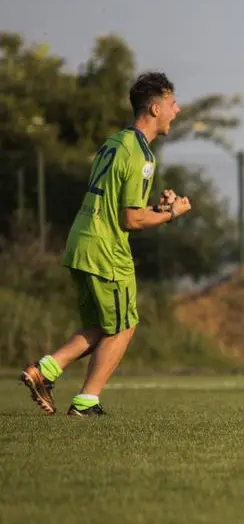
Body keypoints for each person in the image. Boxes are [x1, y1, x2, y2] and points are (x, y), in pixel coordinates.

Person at [20, 71, 192, 417]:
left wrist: (156, 209)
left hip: (80, 241)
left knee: (100, 326)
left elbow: (119, 203)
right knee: (124, 325)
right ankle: (84, 400)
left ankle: (48, 371)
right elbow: (130, 220)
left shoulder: (114, 143)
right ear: (155, 108)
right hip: (105, 249)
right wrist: (172, 213)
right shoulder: (142, 155)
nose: (178, 108)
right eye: (172, 102)